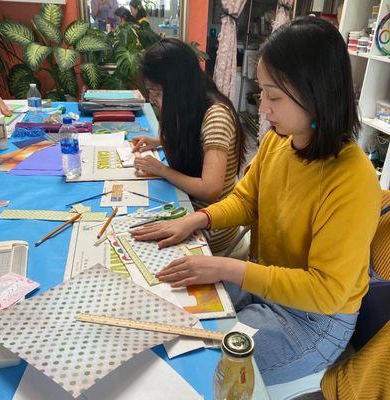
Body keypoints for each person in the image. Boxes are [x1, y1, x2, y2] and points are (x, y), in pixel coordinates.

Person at [131, 18, 382, 385]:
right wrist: (196, 221)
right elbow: (246, 201)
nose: (263, 108)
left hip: (314, 321)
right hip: (265, 282)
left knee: (202, 363)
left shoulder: (353, 180)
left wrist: (225, 268)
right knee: (172, 308)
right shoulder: (278, 142)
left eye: (274, 96)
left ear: (317, 94)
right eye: (262, 93)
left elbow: (326, 292)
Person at [131, 38, 246, 255]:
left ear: (177, 87)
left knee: (142, 246)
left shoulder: (216, 116)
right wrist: (159, 142)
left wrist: (161, 169)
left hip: (213, 227)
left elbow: (209, 189)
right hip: (192, 208)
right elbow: (195, 141)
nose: (153, 99)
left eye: (156, 91)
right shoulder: (191, 104)